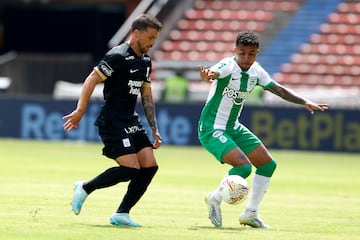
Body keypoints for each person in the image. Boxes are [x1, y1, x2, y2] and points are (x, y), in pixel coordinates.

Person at [198, 31, 328, 228]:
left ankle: (250, 214)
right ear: (235, 51)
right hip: (211, 128)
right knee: (243, 167)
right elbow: (215, 72)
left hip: (233, 127)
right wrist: (209, 75)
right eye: (242, 53)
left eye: (251, 54)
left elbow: (279, 89)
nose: (246, 58)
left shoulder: (256, 71)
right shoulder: (228, 65)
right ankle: (215, 199)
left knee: (268, 165)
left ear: (257, 53)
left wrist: (305, 101)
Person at [62, 14, 163, 227]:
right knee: (130, 170)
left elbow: (146, 95)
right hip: (113, 121)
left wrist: (154, 128)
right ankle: (85, 187)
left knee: (150, 166)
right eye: (150, 37)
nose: (153, 42)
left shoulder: (145, 60)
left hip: (131, 120)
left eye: (155, 38)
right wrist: (80, 109)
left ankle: (122, 214)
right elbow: (91, 79)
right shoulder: (118, 55)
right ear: (136, 33)